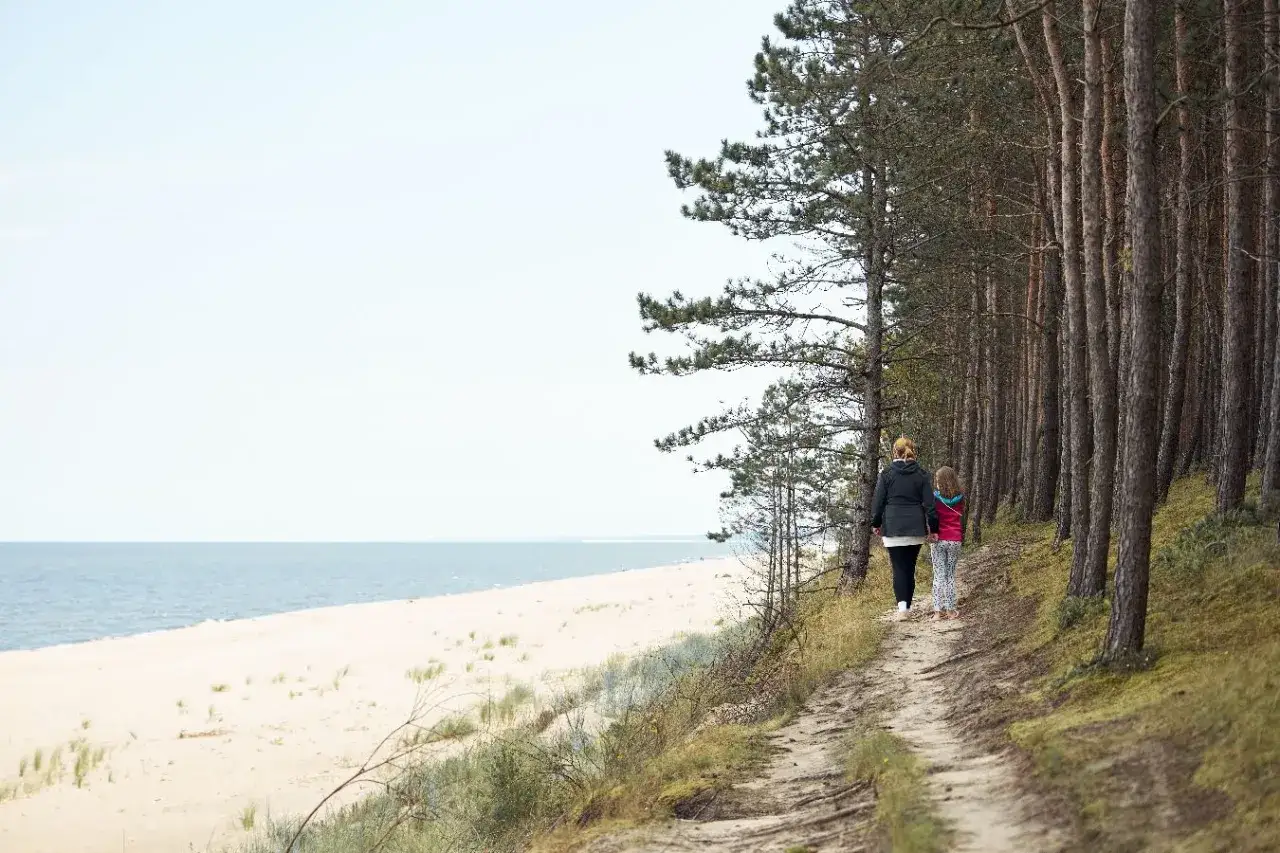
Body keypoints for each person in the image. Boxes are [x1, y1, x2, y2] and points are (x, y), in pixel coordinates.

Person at [871, 436, 939, 619]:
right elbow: (930, 505)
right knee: (910, 567)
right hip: (915, 527)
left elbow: (878, 503)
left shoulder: (886, 474)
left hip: (893, 526)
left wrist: (876, 524)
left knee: (899, 567)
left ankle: (903, 609)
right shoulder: (921, 474)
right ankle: (907, 606)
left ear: (895, 451)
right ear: (912, 450)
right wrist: (934, 528)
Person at [929, 466, 965, 620]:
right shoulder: (960, 498)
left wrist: (931, 532)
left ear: (940, 481)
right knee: (949, 575)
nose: (936, 483)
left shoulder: (934, 498)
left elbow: (931, 516)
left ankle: (937, 612)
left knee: (938, 575)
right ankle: (950, 611)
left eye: (937, 480)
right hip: (954, 539)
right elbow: (961, 515)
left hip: (939, 539)